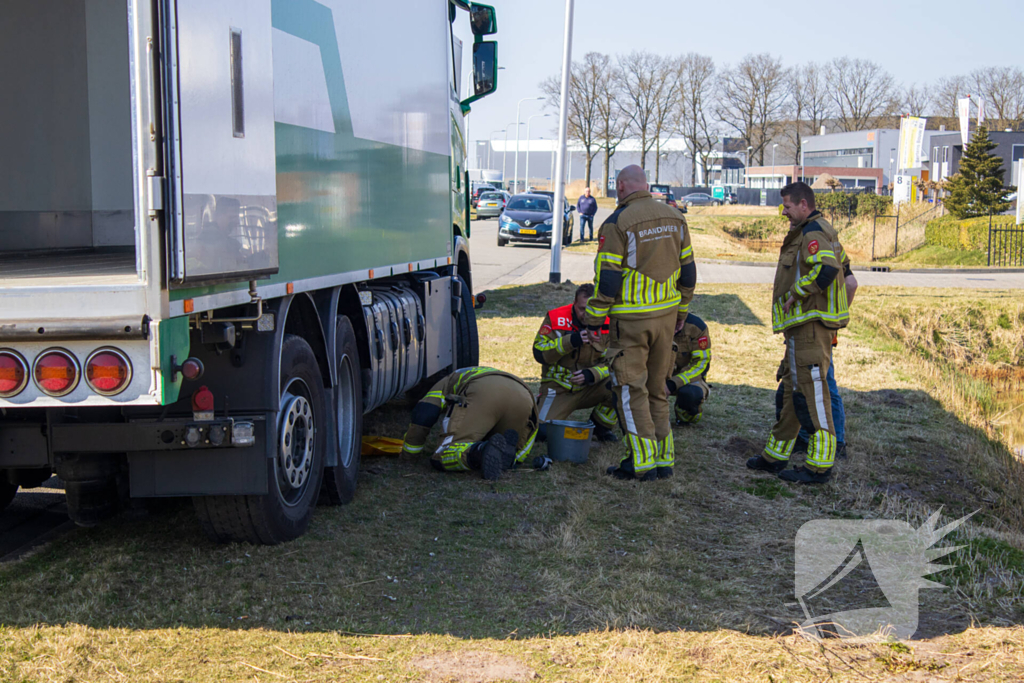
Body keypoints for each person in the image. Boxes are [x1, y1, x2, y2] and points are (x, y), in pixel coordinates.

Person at [584, 165, 697, 481]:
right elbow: (688, 271)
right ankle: (664, 459)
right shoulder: (676, 217)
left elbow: (608, 280)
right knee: (657, 389)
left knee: (630, 389)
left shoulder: (617, 223)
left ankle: (641, 462)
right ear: (645, 185)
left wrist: (594, 318)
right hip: (667, 318)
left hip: (632, 321)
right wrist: (682, 311)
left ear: (621, 186)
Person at [747, 181, 849, 484]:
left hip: (810, 326)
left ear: (804, 204)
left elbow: (828, 269)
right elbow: (849, 273)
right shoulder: (819, 229)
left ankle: (819, 466)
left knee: (813, 393)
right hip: (802, 327)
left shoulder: (812, 232)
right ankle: (775, 456)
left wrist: (797, 292)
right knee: (794, 390)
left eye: (788, 206)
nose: (784, 212)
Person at [401, 367, 539, 480]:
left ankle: (479, 451)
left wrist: (409, 455)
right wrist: (519, 457)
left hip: (485, 391)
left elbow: (424, 414)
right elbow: (534, 424)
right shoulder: (470, 372)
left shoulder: (444, 383)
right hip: (524, 395)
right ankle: (507, 454)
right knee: (494, 435)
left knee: (441, 456)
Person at [790, 247, 858, 459]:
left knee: (823, 383)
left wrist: (830, 322)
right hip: (821, 328)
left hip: (815, 328)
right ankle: (807, 436)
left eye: (789, 211)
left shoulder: (816, 242)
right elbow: (851, 283)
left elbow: (851, 284)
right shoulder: (834, 245)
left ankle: (834, 442)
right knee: (809, 382)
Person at [533, 283, 619, 442]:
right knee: (541, 432)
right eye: (582, 309)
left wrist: (591, 374)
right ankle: (542, 409)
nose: (586, 315)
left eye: (592, 310)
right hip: (558, 388)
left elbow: (615, 360)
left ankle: (600, 427)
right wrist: (572, 340)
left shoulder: (609, 322)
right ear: (574, 303)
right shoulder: (556, 318)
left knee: (620, 382)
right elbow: (540, 353)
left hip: (590, 386)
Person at [667, 313, 712, 425]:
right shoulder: (652, 322)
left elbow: (701, 364)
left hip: (688, 379)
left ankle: (685, 416)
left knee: (690, 394)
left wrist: (672, 384)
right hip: (657, 376)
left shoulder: (697, 327)